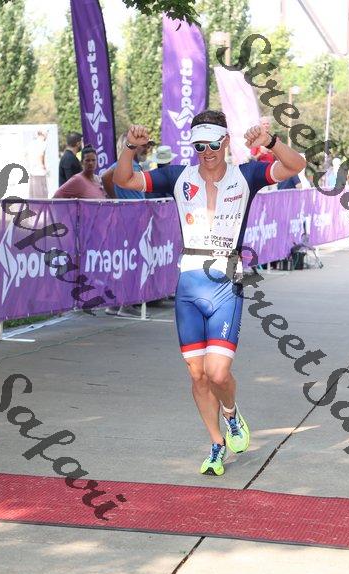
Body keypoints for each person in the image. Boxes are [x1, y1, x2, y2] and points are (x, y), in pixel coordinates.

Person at [113, 110, 305, 476]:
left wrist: (271, 142)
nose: (207, 152)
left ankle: (231, 414)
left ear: (226, 142)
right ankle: (216, 444)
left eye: (213, 144)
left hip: (226, 283)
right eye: (199, 146)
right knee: (197, 374)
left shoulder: (247, 175)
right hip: (189, 284)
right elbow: (122, 179)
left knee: (218, 374)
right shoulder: (177, 176)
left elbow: (296, 165)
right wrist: (130, 148)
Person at [102, 134, 155, 318]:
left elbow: (106, 177)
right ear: (130, 146)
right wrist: (116, 199)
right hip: (132, 220)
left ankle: (116, 303)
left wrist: (115, 198)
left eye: (146, 145)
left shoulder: (126, 165)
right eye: (143, 145)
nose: (146, 148)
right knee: (132, 261)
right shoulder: (127, 165)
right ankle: (127, 304)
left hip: (128, 218)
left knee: (125, 260)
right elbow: (105, 177)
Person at [28, 130, 48, 199]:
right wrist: (43, 166)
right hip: (40, 172)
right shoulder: (42, 143)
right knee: (41, 193)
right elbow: (41, 155)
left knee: (33, 193)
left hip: (32, 171)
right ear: (43, 134)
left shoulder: (31, 143)